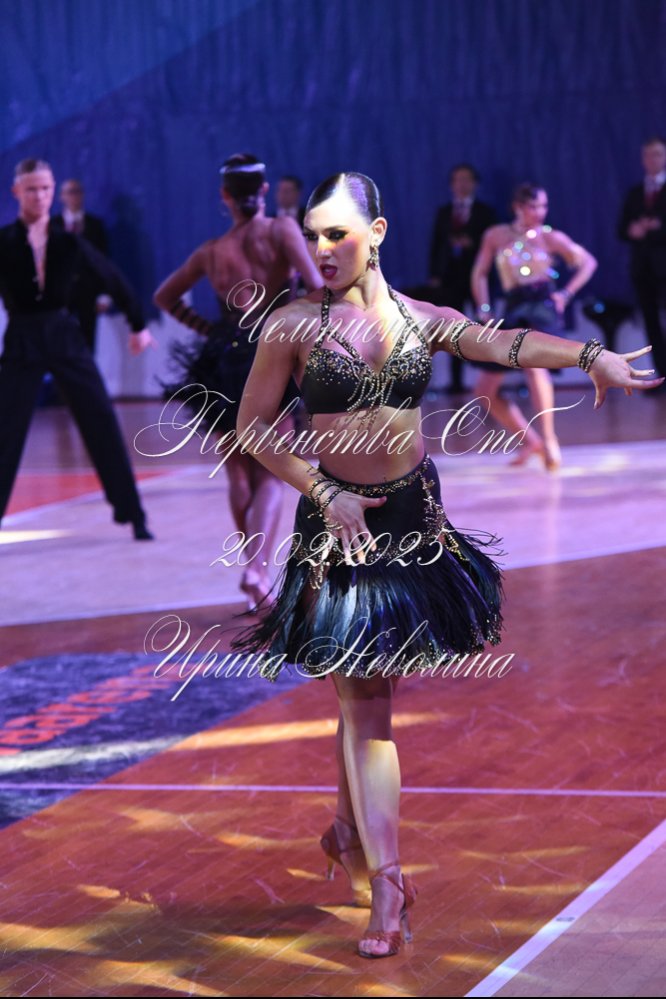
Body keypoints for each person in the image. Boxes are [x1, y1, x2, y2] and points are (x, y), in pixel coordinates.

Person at [227, 171, 661, 959]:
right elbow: (254, 429)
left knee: (365, 688)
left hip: (411, 520)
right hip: (340, 526)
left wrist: (590, 354)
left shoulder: (420, 318)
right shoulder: (290, 324)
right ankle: (390, 883)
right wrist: (324, 490)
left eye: (337, 233)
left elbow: (506, 342)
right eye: (314, 235)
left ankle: (349, 827)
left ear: (377, 232)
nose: (321, 248)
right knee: (365, 696)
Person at [153, 154, 322, 606]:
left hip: (224, 357)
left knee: (238, 472)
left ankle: (255, 579)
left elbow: (164, 296)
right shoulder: (281, 230)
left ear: (224, 196)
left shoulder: (212, 251)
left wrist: (207, 329)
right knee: (271, 472)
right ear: (264, 190)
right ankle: (257, 570)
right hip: (271, 352)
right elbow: (314, 286)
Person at [0, 158, 156, 540]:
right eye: (32, 189)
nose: (40, 196)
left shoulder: (68, 242)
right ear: (17, 191)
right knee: (6, 431)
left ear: (53, 191)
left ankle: (133, 514)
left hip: (63, 334)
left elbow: (110, 275)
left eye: (45, 188)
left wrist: (137, 323)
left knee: (100, 418)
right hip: (22, 339)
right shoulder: (4, 241)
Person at [470, 183, 598, 470]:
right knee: (485, 389)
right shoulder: (497, 235)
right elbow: (480, 272)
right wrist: (484, 308)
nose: (540, 212)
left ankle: (550, 439)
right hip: (514, 307)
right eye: (533, 206)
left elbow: (588, 262)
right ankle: (531, 441)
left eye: (543, 206)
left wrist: (565, 294)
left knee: (534, 366)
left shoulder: (550, 237)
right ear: (518, 207)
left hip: (542, 307)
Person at [429, 163, 497, 391]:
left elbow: (493, 245)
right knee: (453, 328)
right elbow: (436, 245)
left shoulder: (486, 212)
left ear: (475, 183)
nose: (462, 184)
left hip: (478, 276)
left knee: (484, 324)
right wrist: (435, 275)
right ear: (451, 184)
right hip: (451, 279)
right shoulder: (444, 212)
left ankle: (490, 376)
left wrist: (472, 244)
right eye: (458, 179)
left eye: (466, 179)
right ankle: (456, 381)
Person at [618, 135, 666, 380]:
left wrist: (657, 227)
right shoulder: (635, 192)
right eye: (647, 155)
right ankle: (662, 374)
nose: (652, 159)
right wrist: (633, 230)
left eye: (657, 154)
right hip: (643, 269)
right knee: (651, 323)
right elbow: (621, 229)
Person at [51, 177, 110, 352]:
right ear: (61, 197)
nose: (74, 196)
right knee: (60, 341)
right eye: (70, 192)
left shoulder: (95, 225)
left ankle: (87, 370)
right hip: (60, 295)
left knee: (88, 341)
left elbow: (104, 261)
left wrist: (104, 294)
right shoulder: (52, 226)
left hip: (89, 291)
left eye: (77, 191)